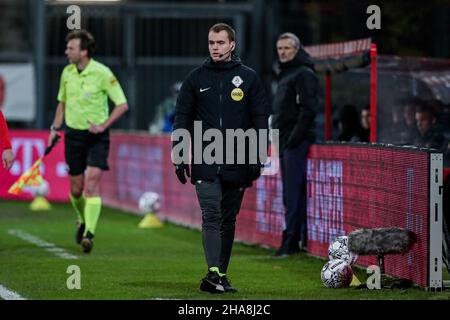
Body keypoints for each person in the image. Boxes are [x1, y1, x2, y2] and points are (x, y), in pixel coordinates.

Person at [172, 23, 269, 293]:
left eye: (220, 42)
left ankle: (220, 275)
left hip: (239, 158)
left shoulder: (249, 78)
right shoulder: (195, 79)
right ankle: (213, 272)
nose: (215, 47)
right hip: (205, 158)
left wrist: (258, 156)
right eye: (211, 43)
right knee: (211, 214)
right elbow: (181, 119)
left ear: (232, 45)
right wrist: (179, 156)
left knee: (228, 219)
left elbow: (260, 120)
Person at [48, 30, 128, 253]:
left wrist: (103, 125)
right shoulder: (66, 73)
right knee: (76, 190)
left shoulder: (103, 73)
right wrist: (55, 128)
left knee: (92, 184)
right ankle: (82, 219)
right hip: (73, 136)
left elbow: (122, 104)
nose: (66, 52)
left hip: (96, 137)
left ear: (83, 52)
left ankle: (89, 234)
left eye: (71, 48)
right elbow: (61, 103)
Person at [271, 32, 318, 257]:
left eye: (287, 48)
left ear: (297, 49)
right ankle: (290, 239)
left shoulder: (304, 74)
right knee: (290, 195)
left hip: (294, 143)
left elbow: (308, 110)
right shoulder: (286, 74)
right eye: (280, 48)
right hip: (285, 142)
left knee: (293, 194)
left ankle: (291, 242)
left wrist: (292, 140)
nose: (282, 52)